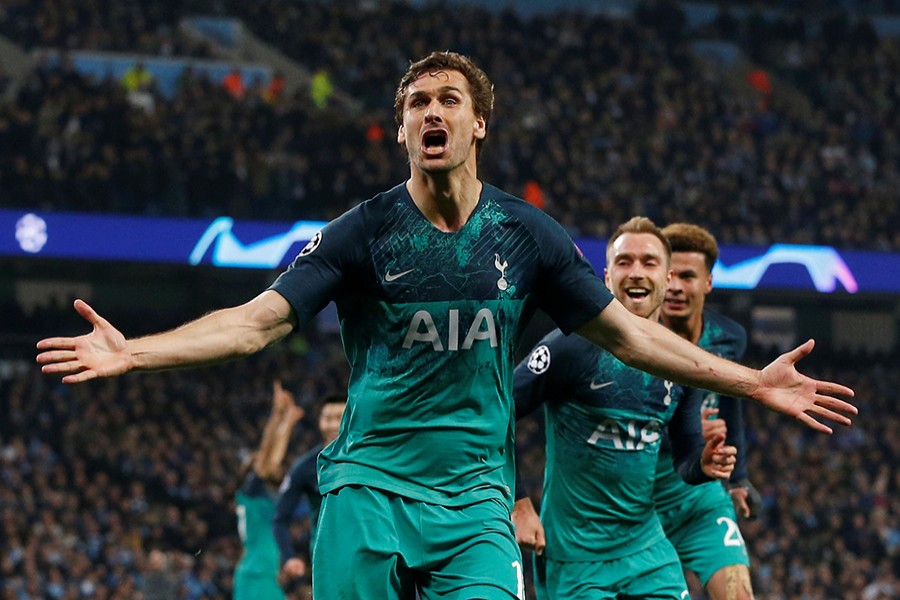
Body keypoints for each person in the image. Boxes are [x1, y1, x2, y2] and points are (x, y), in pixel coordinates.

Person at [36, 51, 855, 600]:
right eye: (417, 103)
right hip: (368, 490)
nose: (432, 112)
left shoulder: (528, 234)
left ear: (477, 124)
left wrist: (751, 381)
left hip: (474, 505)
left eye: (448, 100)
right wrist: (134, 352)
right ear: (402, 131)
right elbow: (255, 325)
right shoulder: (363, 231)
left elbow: (627, 334)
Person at [510, 216, 737, 599]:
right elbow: (498, 412)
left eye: (649, 263)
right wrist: (517, 502)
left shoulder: (683, 361)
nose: (636, 273)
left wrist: (703, 464)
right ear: (605, 277)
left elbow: (684, 455)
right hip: (575, 559)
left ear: (667, 279)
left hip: (647, 551)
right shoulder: (568, 347)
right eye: (624, 262)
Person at [655, 222, 760, 599]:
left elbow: (731, 406)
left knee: (739, 593)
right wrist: (682, 432)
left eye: (687, 276)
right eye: (669, 276)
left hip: (700, 500)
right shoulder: (631, 339)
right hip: (638, 506)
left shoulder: (729, 338)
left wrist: (739, 479)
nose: (676, 288)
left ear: (709, 283)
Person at [234, 380, 303, 600]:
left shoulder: (259, 498)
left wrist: (285, 418)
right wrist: (280, 417)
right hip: (256, 577)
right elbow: (266, 457)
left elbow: (268, 459)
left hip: (261, 576)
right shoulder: (252, 496)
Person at [273, 394, 347, 584]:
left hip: (369, 550)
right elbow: (280, 517)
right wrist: (289, 556)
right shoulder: (305, 467)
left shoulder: (369, 459)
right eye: (327, 418)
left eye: (339, 417)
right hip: (327, 556)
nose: (332, 425)